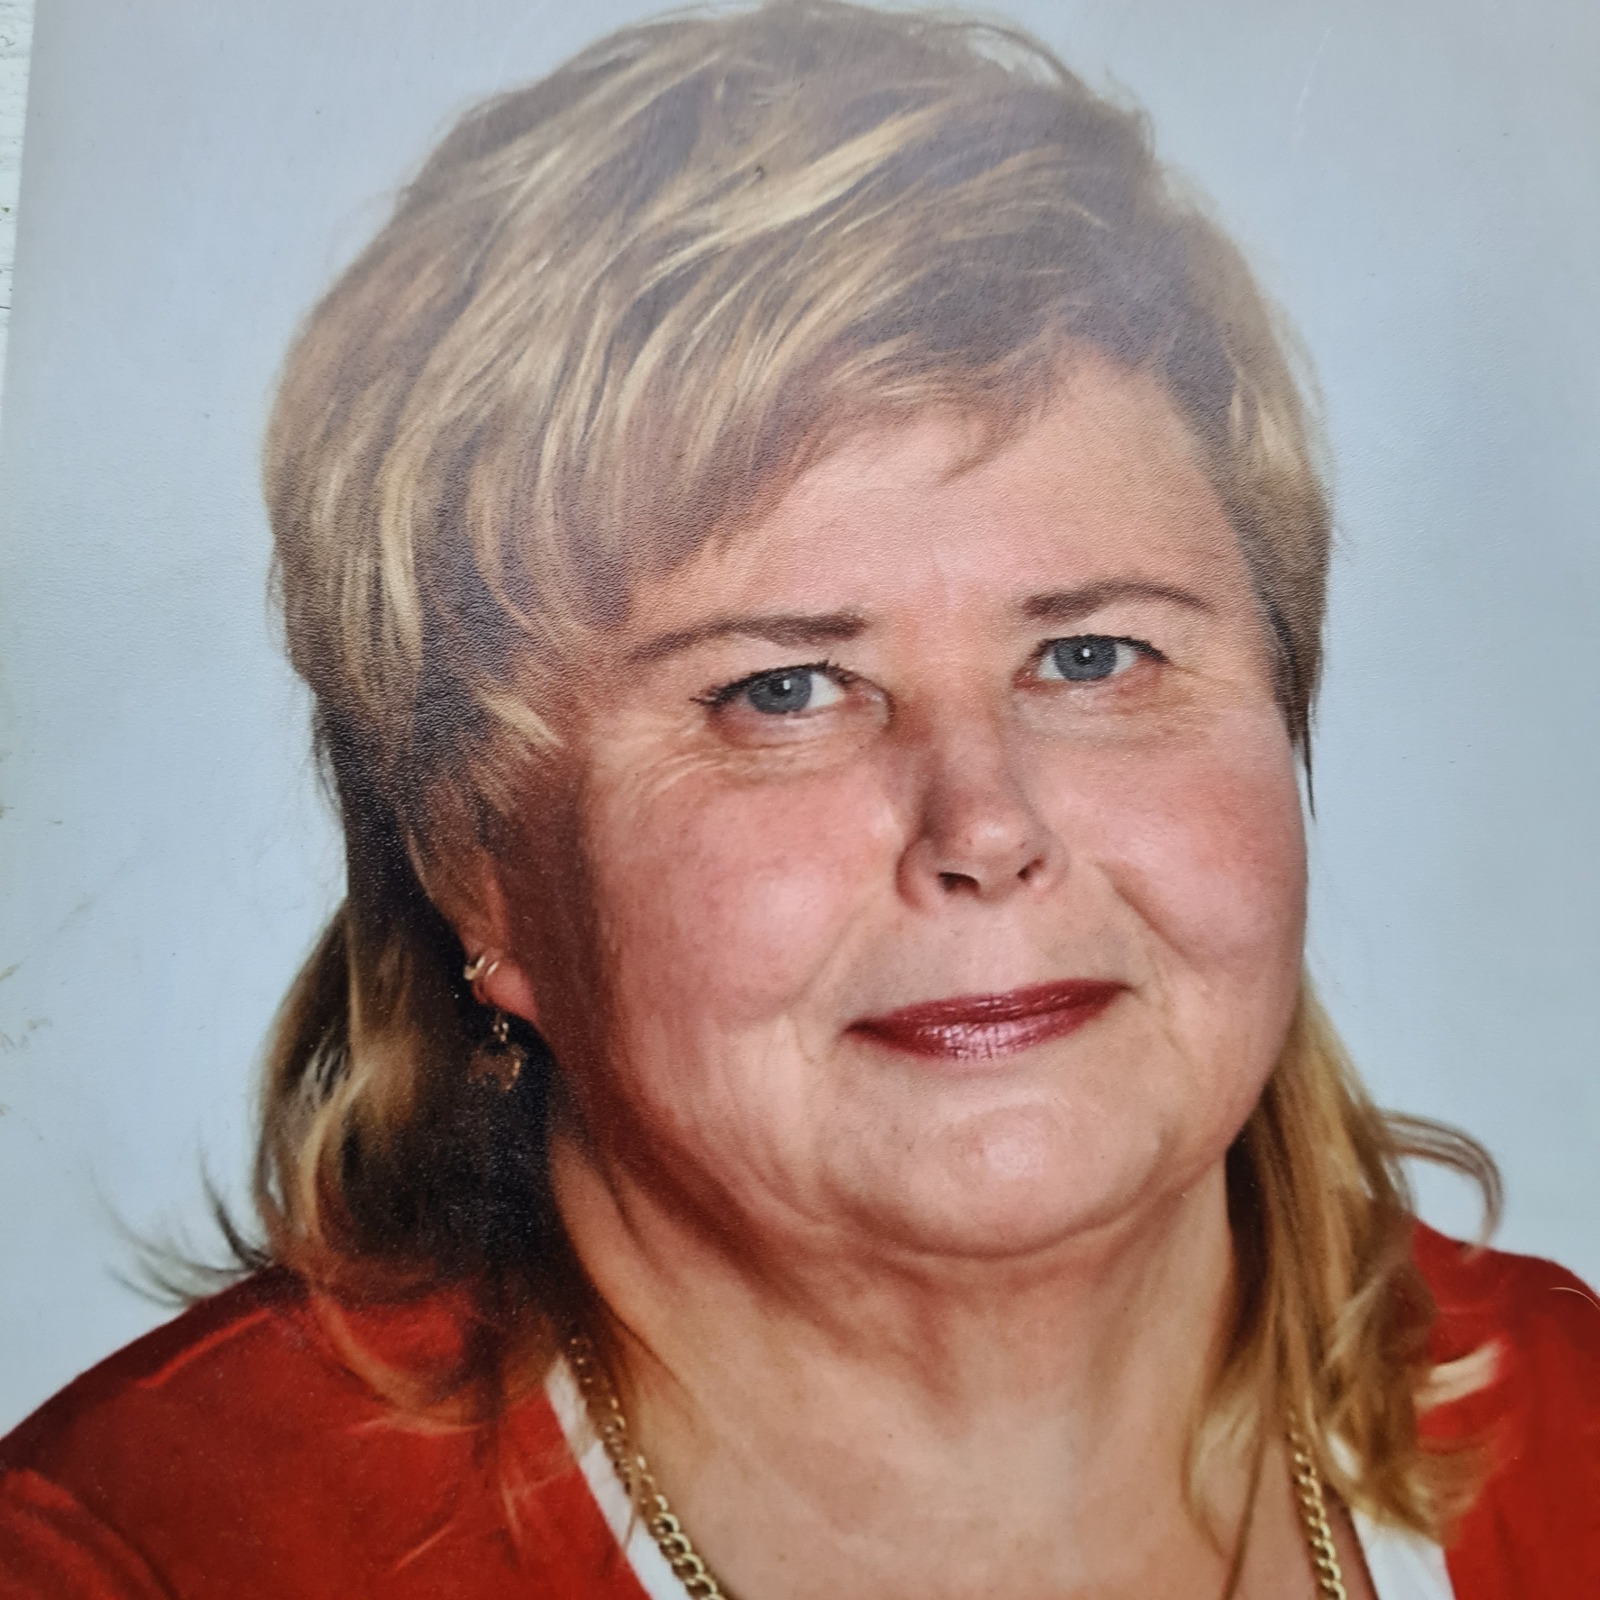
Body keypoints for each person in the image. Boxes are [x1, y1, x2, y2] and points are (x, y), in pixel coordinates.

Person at [1, 2, 1595, 1596]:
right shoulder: (133, 1561)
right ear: (478, 862)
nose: (986, 829)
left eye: (1091, 655)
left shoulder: (1573, 1434)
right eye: (782, 691)